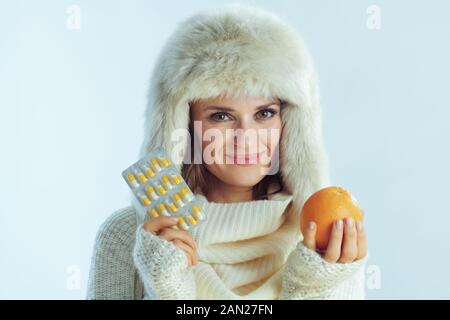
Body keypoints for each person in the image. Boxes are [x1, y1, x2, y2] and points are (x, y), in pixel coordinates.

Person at [87, 3, 368, 300]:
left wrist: (313, 289)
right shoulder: (127, 237)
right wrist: (167, 292)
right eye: (221, 116)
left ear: (290, 122)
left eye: (264, 113)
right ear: (184, 125)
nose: (246, 138)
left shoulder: (325, 242)